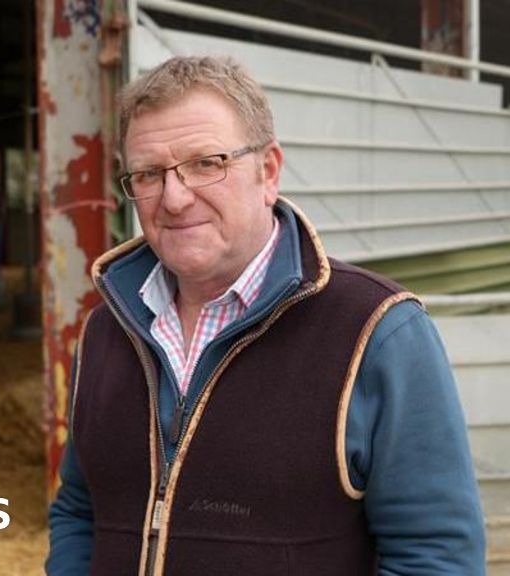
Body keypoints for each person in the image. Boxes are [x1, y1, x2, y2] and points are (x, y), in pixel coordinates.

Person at [46, 55, 485, 576]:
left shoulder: (376, 331)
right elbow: (80, 509)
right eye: (148, 174)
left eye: (206, 163)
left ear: (268, 171)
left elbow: (435, 556)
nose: (175, 198)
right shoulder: (106, 329)